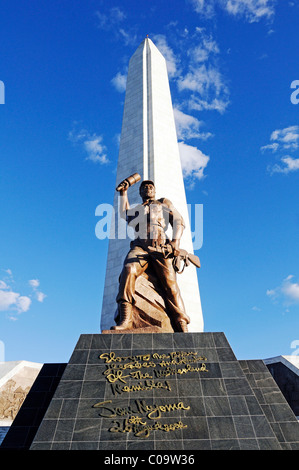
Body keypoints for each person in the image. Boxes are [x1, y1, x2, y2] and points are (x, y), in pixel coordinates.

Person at [112, 179, 190, 332]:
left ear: (154, 191)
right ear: (140, 192)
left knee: (170, 285)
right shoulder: (137, 208)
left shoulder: (163, 203)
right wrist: (123, 193)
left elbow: (179, 221)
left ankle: (181, 323)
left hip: (160, 245)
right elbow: (124, 214)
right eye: (144, 187)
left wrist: (175, 243)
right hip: (140, 246)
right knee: (128, 270)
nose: (148, 188)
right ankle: (126, 319)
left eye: (150, 187)